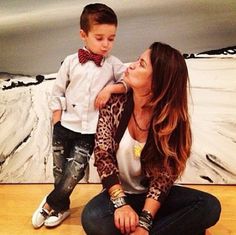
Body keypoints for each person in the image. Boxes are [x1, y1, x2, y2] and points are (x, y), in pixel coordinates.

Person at [81, 42, 221, 235]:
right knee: (92, 219)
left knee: (209, 206)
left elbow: (164, 176)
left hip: (154, 199)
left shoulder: (174, 121)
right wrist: (121, 204)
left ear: (157, 82)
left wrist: (145, 221)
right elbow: (103, 156)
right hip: (119, 193)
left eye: (141, 64)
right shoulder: (114, 103)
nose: (131, 65)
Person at [32, 3, 128, 229]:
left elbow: (128, 84)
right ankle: (62, 207)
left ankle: (48, 204)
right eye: (100, 37)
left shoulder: (113, 65)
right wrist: (57, 120)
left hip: (90, 131)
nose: (106, 44)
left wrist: (109, 89)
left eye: (111, 38)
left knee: (74, 171)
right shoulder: (70, 62)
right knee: (59, 171)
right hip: (65, 125)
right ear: (83, 35)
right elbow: (58, 92)